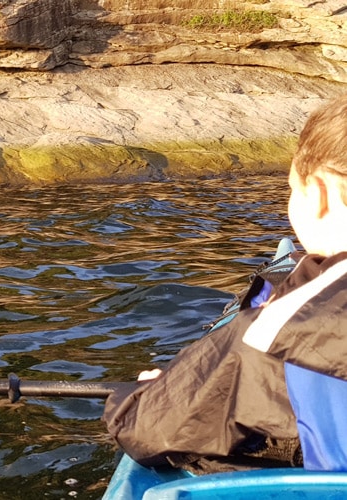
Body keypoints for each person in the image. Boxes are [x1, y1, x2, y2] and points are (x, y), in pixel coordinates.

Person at [101, 94, 347, 474]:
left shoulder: (282, 329)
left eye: (291, 189)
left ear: (319, 194)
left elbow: (148, 429)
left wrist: (149, 395)